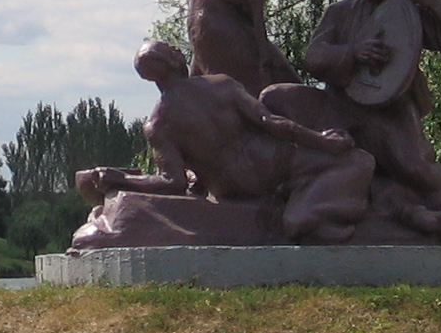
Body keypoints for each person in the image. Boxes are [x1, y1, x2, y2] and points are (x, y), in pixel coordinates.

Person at [262, 0, 441, 244]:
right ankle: (308, 199)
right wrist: (353, 52)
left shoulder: (408, 5)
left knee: (417, 169)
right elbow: (314, 56)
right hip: (340, 105)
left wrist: (434, 2)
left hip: (390, 109)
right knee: (275, 97)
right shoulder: (341, 11)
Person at [77, 40, 375, 242]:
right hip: (272, 163)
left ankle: (306, 215)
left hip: (235, 187)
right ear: (175, 58)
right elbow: (271, 123)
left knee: (337, 169)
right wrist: (323, 141)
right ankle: (309, 220)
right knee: (359, 160)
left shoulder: (158, 124)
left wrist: (123, 180)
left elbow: (171, 182)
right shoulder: (220, 85)